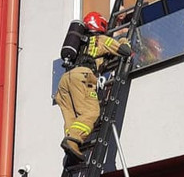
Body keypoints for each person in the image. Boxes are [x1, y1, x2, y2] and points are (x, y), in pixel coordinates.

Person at [55, 11, 131, 166]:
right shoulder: (100, 40)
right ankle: (73, 139)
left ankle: (72, 148)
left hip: (63, 82)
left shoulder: (78, 45)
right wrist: (124, 39)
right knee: (91, 112)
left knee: (72, 119)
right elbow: (125, 51)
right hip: (82, 76)